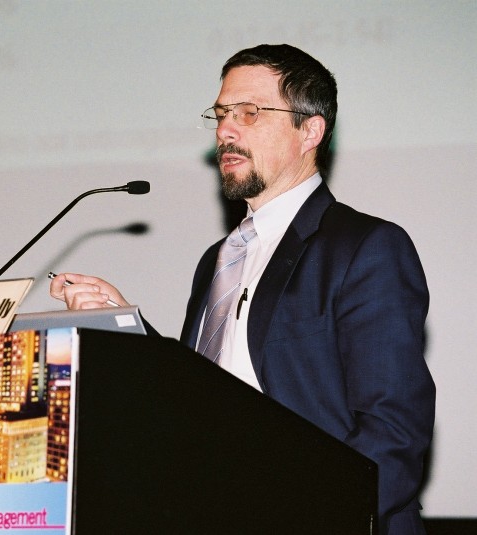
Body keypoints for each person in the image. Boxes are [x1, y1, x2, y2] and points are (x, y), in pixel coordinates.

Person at [49, 44, 435, 534]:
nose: (225, 131)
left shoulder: (365, 247)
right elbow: (204, 400)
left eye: (249, 113)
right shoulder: (219, 259)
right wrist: (128, 327)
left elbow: (393, 429)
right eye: (221, 114)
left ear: (310, 131)